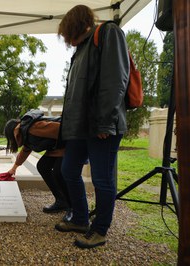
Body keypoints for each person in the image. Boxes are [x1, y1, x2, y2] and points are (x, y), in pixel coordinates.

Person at [54, 5, 129, 249]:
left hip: (101, 125)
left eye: (67, 35)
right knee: (69, 170)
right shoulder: (82, 48)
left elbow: (116, 80)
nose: (67, 41)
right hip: (80, 128)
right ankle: (80, 218)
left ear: (75, 26)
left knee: (102, 179)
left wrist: (105, 122)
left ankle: (100, 230)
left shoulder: (108, 33)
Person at [3, 115, 71, 214]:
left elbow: (62, 130)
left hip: (67, 145)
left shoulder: (34, 128)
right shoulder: (26, 133)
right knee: (43, 166)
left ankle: (73, 207)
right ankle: (61, 201)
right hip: (56, 148)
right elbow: (24, 152)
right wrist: (14, 168)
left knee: (58, 172)